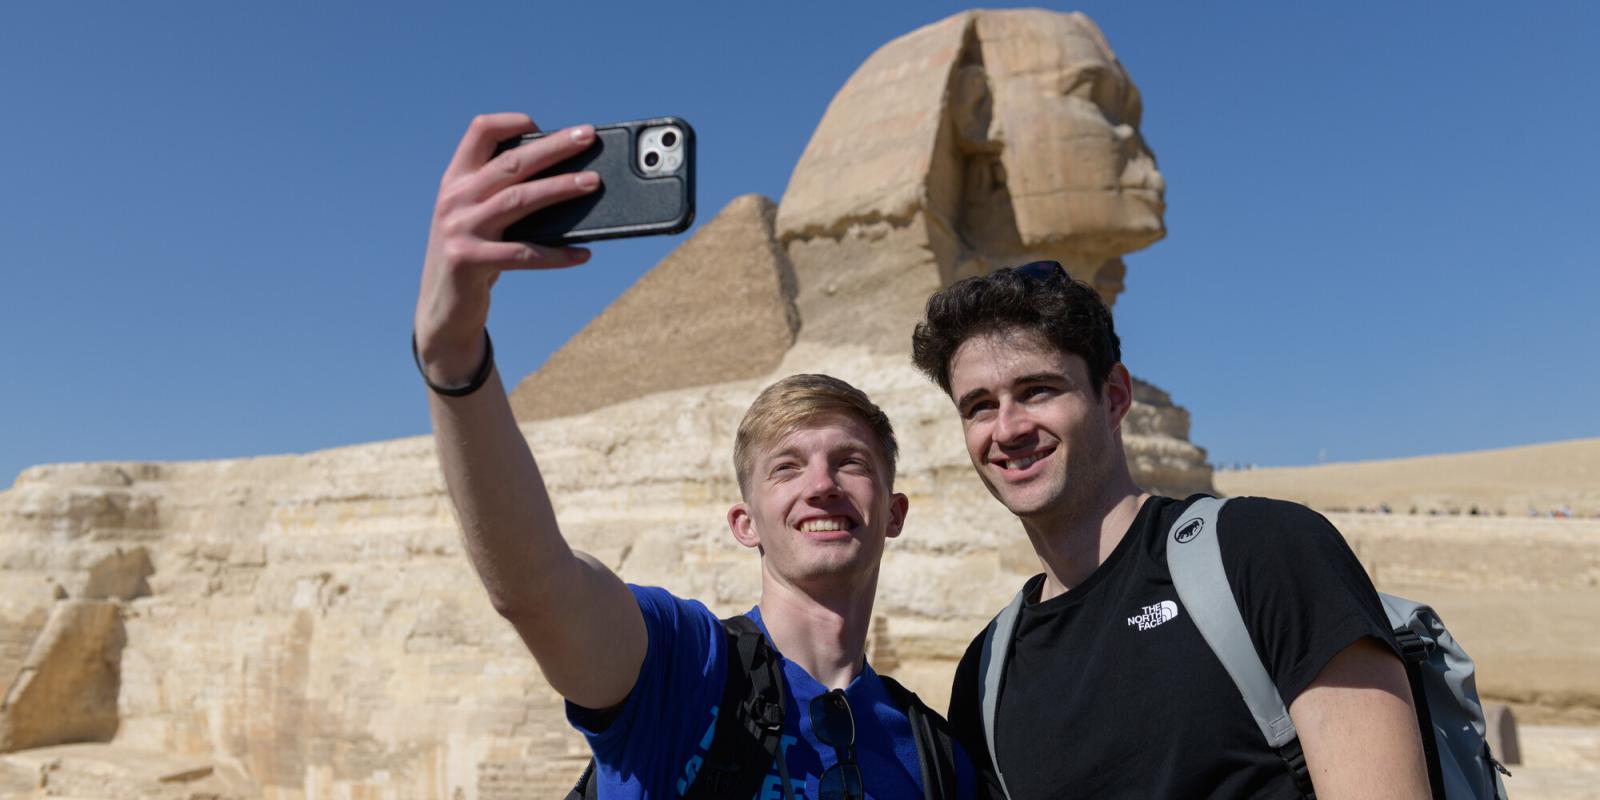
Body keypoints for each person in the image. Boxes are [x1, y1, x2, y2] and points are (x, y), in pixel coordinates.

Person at [412, 113, 975, 799]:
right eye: (787, 467)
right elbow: (535, 588)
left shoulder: (939, 756)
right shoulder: (679, 669)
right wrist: (454, 357)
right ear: (743, 522)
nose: (822, 484)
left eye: (850, 462)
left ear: (894, 512)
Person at [909, 262, 1432, 798]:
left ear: (1113, 397)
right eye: (979, 407)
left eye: (1038, 390)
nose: (1009, 428)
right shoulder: (987, 673)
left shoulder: (1263, 554)